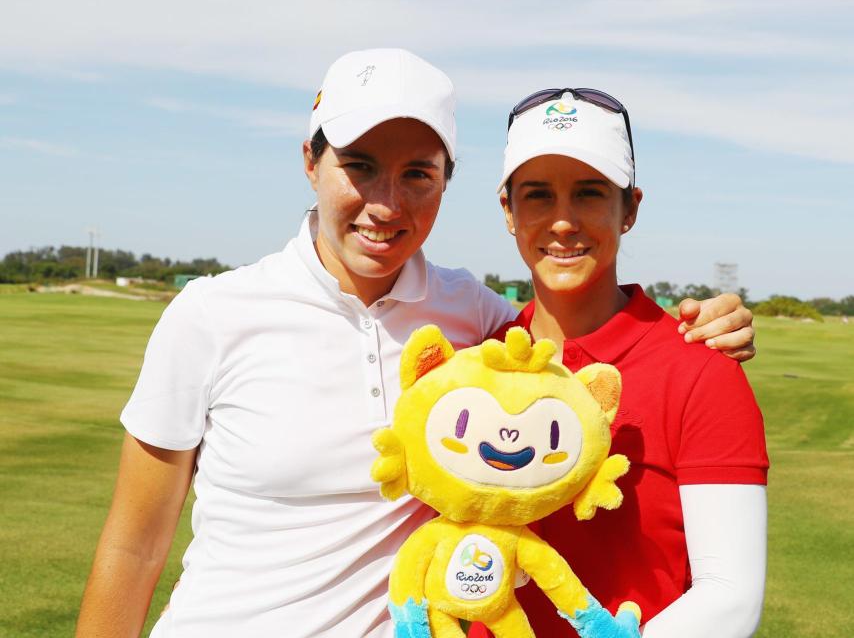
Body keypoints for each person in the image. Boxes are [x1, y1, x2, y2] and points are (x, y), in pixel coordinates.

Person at [76, 51, 756, 638]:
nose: (386, 203)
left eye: (418, 175)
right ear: (310, 162)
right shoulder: (213, 314)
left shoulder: (474, 323)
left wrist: (708, 326)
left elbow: (583, 322)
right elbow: (134, 548)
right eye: (360, 166)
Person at [471, 88, 768, 637]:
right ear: (508, 211)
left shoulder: (702, 369)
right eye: (537, 195)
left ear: (629, 208)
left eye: (589, 193)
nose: (563, 221)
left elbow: (731, 599)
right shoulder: (476, 364)